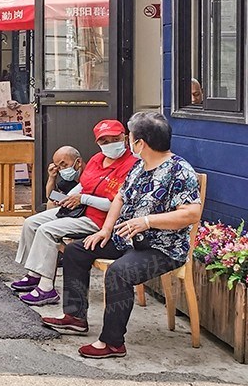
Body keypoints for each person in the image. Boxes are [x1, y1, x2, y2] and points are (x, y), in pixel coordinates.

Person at [42, 111, 202, 359]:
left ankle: (112, 342)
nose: (129, 142)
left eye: (131, 138)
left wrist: (147, 222)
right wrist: (105, 230)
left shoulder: (179, 170)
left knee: (119, 272)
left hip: (162, 247)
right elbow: (120, 197)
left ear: (141, 143)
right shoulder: (139, 167)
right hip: (126, 238)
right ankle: (75, 317)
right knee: (76, 250)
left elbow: (191, 213)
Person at [10, 120, 136, 305]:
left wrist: (82, 199)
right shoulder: (97, 159)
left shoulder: (132, 165)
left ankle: (46, 288)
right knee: (31, 223)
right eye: (104, 141)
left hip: (100, 219)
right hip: (79, 210)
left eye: (114, 139)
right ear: (98, 143)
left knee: (47, 231)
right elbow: (83, 185)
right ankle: (34, 274)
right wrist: (67, 198)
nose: (110, 144)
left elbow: (114, 205)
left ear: (124, 138)